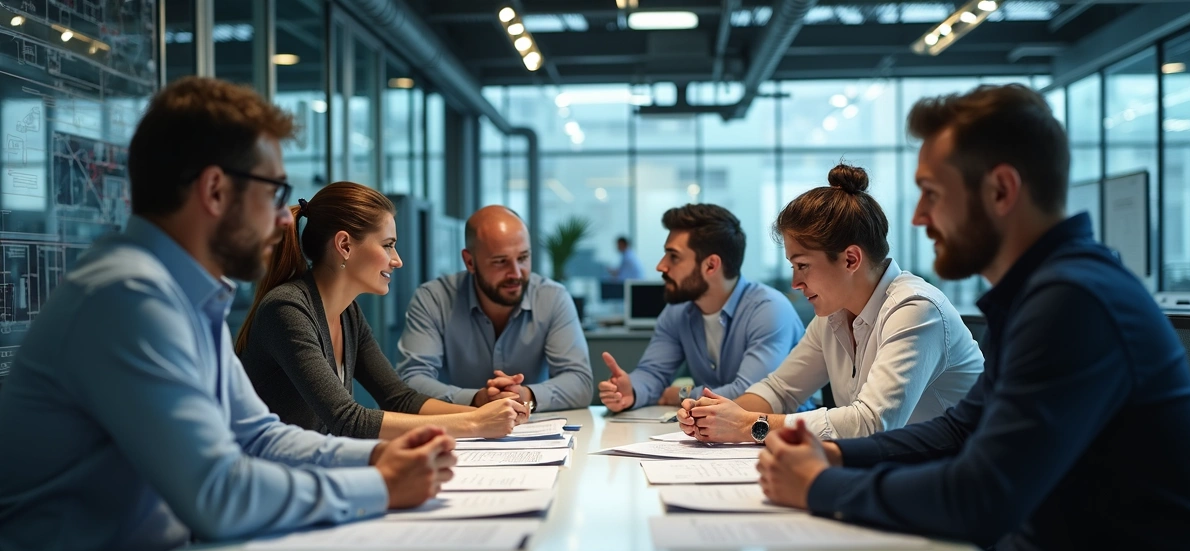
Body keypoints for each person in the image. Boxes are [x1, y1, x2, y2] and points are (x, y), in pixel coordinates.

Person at [757, 84, 1190, 551]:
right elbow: (958, 430)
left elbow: (981, 498)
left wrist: (819, 486)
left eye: (931, 192)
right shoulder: (1047, 291)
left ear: (1001, 190)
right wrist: (832, 456)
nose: (921, 217)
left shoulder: (1074, 301)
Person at [0, 77, 455, 551]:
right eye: (274, 194)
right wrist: (379, 485)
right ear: (215, 191)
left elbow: (258, 435)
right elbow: (217, 491)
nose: (287, 219)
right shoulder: (128, 298)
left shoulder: (187, 295)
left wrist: (373, 459)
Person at [677, 164, 983, 443]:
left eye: (802, 265)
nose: (795, 283)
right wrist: (717, 417)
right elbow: (779, 390)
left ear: (850, 259)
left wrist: (748, 425)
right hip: (897, 470)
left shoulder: (916, 309)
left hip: (957, 484)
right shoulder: (834, 314)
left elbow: (872, 423)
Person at [236, 181, 528, 440]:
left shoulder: (347, 313)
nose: (397, 260)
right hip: (263, 488)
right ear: (344, 245)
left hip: (309, 477)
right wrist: (475, 423)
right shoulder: (287, 309)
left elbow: (398, 398)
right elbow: (346, 420)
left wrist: (481, 406)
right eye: (388, 246)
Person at [598, 204, 805, 411]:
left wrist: (684, 394)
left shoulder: (769, 310)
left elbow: (751, 395)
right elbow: (653, 374)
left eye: (674, 257)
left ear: (711, 265)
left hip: (785, 434)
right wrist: (631, 391)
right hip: (718, 432)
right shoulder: (677, 311)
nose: (661, 266)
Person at [396, 205, 594, 412]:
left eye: (523, 258)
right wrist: (476, 400)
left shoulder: (553, 298)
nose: (516, 273)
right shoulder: (434, 299)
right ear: (470, 262)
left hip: (534, 431)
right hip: (454, 431)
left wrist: (525, 396)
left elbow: (580, 383)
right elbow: (411, 380)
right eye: (501, 262)